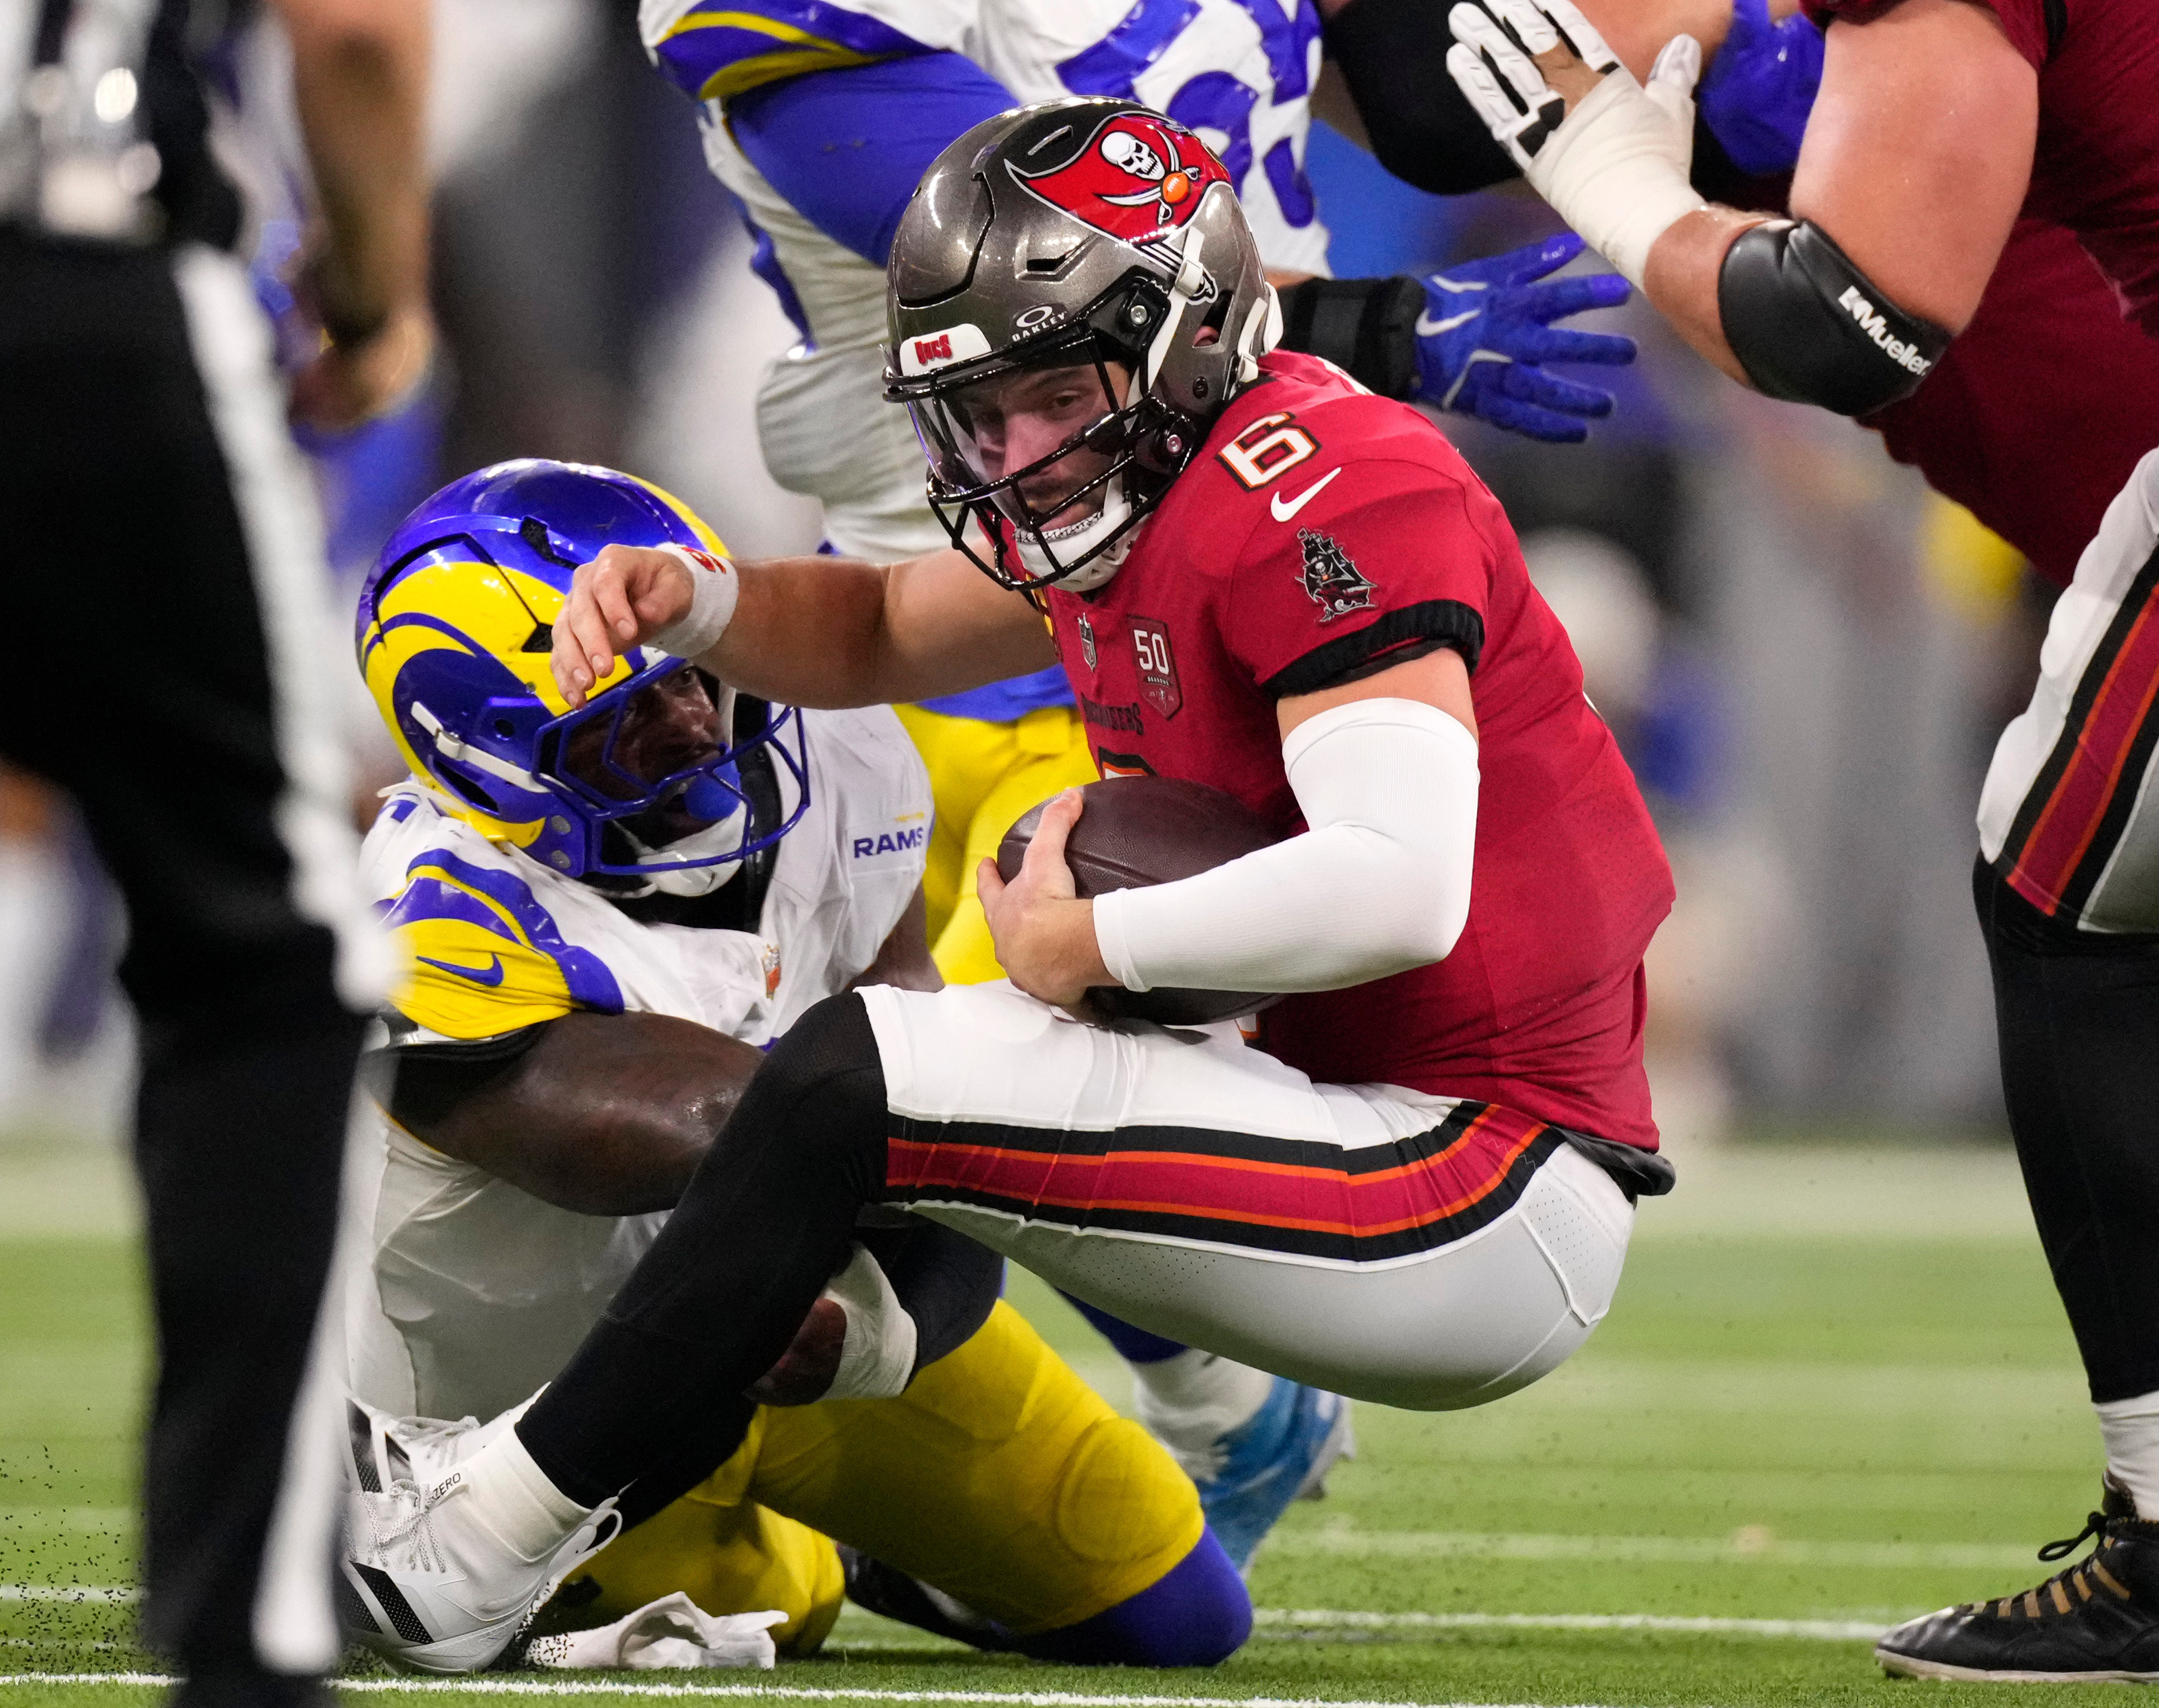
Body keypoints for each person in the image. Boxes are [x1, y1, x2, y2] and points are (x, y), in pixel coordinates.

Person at [312, 96, 1674, 1673]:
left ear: (1183, 339)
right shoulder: (1154, 488)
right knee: (893, 1088)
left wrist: (1081, 938)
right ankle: (655, 1475)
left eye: (1049, 392)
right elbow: (888, 622)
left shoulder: (1326, 484)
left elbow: (1397, 890)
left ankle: (475, 1540)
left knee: (868, 1067)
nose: (1012, 449)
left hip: (1477, 1181)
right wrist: (700, 605)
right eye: (979, 407)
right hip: (1375, 1125)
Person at [1317, 0, 2159, 1654]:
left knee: (2082, 937)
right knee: (2148, 1041)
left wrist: (1613, 177)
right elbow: (1431, 84)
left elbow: (1841, 316)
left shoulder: (1836, 49)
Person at [637, 0, 1645, 1562]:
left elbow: (1428, 96)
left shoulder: (1280, 489)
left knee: (927, 1082)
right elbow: (993, 250)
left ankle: (1161, 1440)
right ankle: (1099, 1424)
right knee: (781, 1101)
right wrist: (1359, 324)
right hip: (953, 571)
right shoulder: (1045, 418)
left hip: (1142, 552)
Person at [336, 458, 1252, 1673]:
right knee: (778, 1604)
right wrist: (1090, 1056)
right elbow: (776, 1127)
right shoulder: (434, 922)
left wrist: (880, 1334)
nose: (696, 727)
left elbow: (941, 1154)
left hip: (800, 1325)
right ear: (500, 765)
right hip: (527, 1421)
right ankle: (805, 1559)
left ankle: (872, 1541)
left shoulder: (838, 752)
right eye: (621, 722)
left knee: (1177, 1612)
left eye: (693, 675)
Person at [0, 1, 430, 1703]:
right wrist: (379, 290)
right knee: (273, 968)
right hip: (72, 274)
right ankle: (245, 1641)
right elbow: (359, 32)